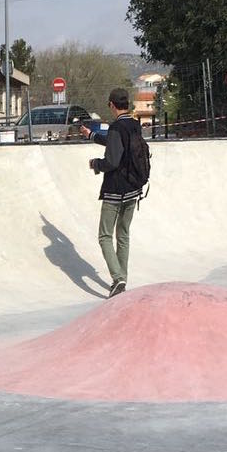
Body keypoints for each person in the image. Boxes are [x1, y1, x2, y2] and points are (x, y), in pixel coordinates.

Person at [81, 88, 149, 296]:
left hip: (115, 190)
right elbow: (115, 142)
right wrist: (92, 135)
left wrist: (95, 163)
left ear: (111, 104)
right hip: (133, 188)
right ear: (126, 104)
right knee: (123, 234)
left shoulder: (116, 127)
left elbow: (112, 160)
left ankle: (118, 278)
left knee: (104, 236)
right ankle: (122, 278)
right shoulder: (134, 125)